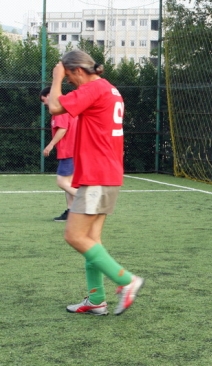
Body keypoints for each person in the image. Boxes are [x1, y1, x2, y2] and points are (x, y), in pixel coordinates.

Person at [47, 50, 144, 316]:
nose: (69, 84)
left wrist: (55, 79)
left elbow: (55, 107)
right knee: (91, 240)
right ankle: (97, 299)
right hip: (106, 174)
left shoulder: (94, 88)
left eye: (69, 78)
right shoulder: (109, 89)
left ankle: (127, 280)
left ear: (78, 71)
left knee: (74, 235)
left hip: (97, 176)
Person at [40, 86, 79, 222]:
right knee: (70, 184)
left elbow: (62, 129)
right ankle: (71, 212)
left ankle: (87, 200)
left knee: (61, 182)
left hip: (69, 150)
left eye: (46, 102)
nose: (47, 106)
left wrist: (50, 146)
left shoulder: (59, 109)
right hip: (74, 150)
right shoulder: (65, 106)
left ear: (50, 95)